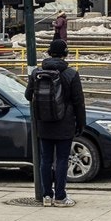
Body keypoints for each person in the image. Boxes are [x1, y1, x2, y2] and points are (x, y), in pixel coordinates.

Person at [29, 39, 86, 208]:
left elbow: (27, 95)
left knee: (45, 160)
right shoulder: (71, 74)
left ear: (48, 52)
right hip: (64, 123)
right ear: (65, 54)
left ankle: (47, 195)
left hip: (44, 122)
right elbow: (78, 102)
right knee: (61, 159)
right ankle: (60, 196)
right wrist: (80, 123)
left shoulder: (37, 73)